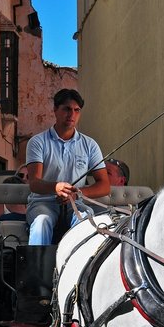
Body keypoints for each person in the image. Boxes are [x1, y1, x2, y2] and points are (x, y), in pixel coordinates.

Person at [25, 89, 110, 245]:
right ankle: (37, 267)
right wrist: (56, 187)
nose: (72, 114)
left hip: (75, 203)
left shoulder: (90, 145)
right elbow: (34, 183)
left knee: (85, 219)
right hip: (42, 203)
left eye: (76, 110)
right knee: (41, 222)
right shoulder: (37, 142)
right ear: (55, 110)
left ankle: (80, 268)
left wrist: (77, 193)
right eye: (67, 109)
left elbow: (104, 185)